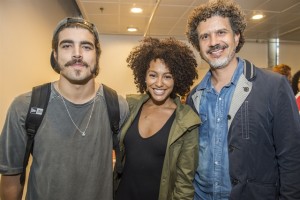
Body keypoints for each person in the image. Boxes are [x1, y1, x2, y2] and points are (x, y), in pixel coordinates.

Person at [0, 17, 129, 200]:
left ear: (97, 55)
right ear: (55, 54)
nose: (77, 54)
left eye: (86, 46)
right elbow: (10, 180)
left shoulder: (118, 106)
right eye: (67, 46)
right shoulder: (25, 107)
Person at [185, 0, 300, 199]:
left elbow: (291, 157)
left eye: (221, 32)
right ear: (198, 45)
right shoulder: (194, 97)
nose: (213, 42)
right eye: (205, 36)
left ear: (236, 36)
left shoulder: (274, 87)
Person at [114, 37, 200, 200]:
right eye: (153, 75)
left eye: (167, 76)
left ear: (177, 79)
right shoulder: (130, 107)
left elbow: (185, 184)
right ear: (144, 77)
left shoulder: (187, 121)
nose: (159, 83)